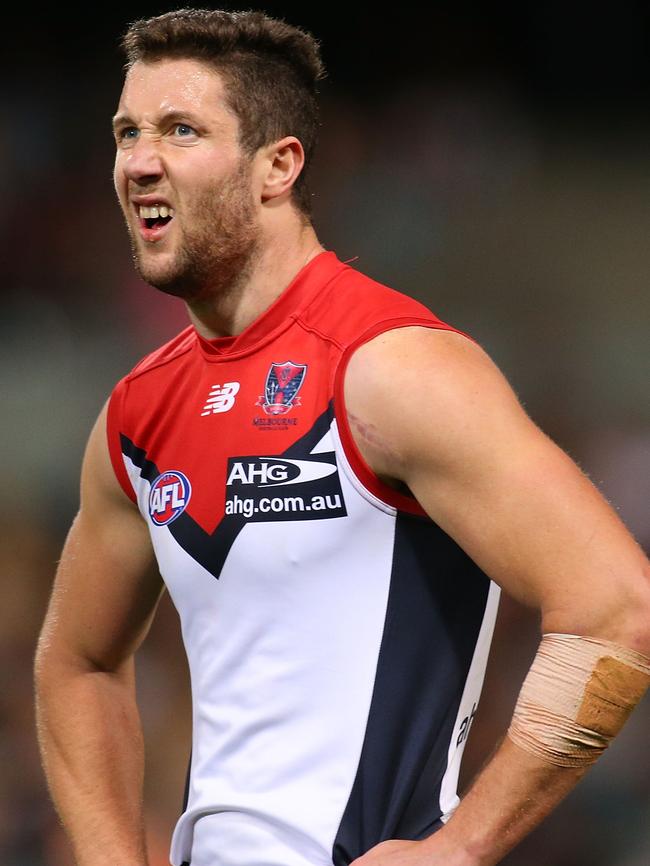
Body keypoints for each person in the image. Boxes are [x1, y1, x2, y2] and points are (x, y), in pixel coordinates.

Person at [34, 8, 650, 866]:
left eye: (181, 130)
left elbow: (614, 607)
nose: (139, 161)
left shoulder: (391, 372)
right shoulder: (140, 412)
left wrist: (464, 847)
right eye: (126, 131)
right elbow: (78, 663)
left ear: (277, 166)